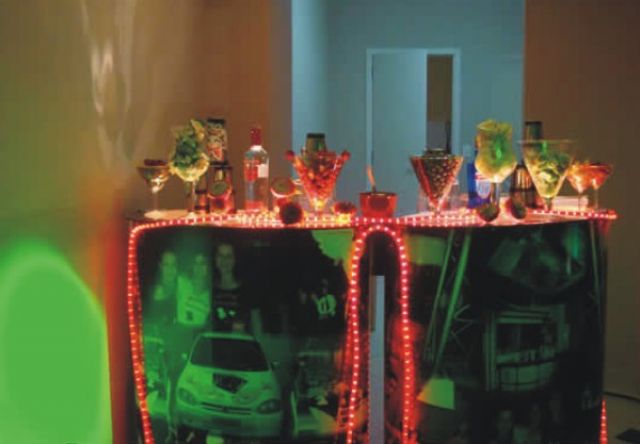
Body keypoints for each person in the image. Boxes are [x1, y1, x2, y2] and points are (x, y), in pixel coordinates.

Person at [211, 242, 253, 332]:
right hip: (212, 339)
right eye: (220, 255)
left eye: (229, 256)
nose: (224, 260)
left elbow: (243, 326)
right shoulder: (210, 288)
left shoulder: (245, 291)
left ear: (235, 260)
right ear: (215, 259)